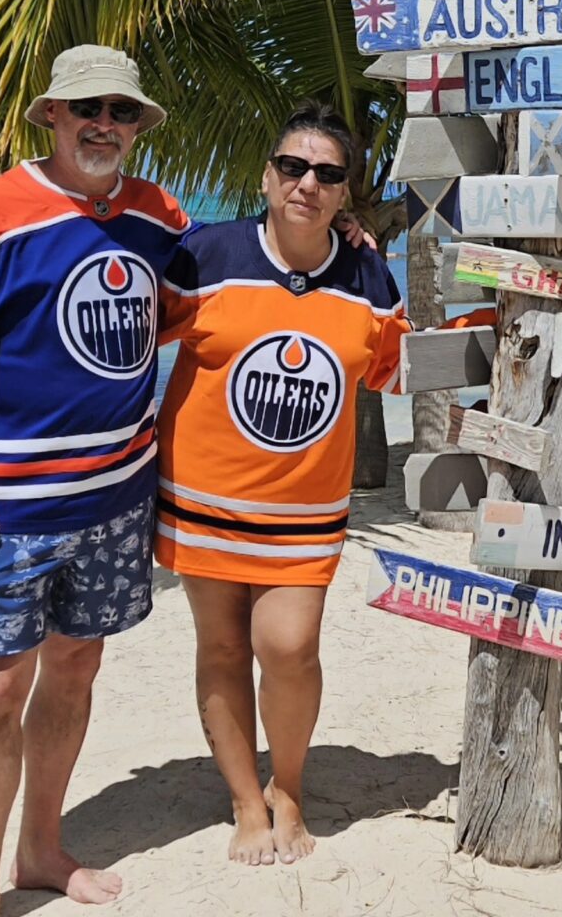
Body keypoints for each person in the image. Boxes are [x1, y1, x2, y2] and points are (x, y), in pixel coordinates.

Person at [0, 44, 186, 916]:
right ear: (53, 117)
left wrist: (343, 239)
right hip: (10, 508)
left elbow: (201, 301)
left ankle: (41, 848)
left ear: (138, 125)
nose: (105, 125)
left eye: (122, 111)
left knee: (74, 674)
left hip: (117, 499)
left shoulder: (157, 214)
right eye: (88, 109)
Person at [155, 101, 409, 867]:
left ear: (344, 193)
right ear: (268, 177)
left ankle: (288, 788)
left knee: (289, 645)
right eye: (293, 167)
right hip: (203, 498)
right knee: (224, 647)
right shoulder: (203, 256)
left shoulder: (366, 274)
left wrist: (490, 325)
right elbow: (127, 338)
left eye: (328, 174)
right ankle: (244, 800)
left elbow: (395, 369)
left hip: (305, 511)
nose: (308, 183)